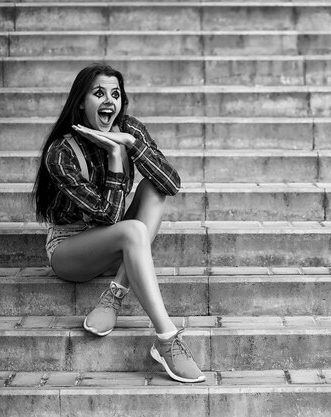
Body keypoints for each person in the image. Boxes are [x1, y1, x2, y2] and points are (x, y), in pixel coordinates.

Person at [32, 64, 205, 383]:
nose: (109, 100)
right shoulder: (61, 152)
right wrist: (114, 154)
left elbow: (172, 183)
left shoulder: (129, 129)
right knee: (133, 229)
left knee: (154, 188)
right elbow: (108, 217)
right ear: (81, 102)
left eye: (115, 94)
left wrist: (131, 144)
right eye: (98, 93)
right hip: (71, 251)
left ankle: (114, 295)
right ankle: (167, 338)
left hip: (116, 241)